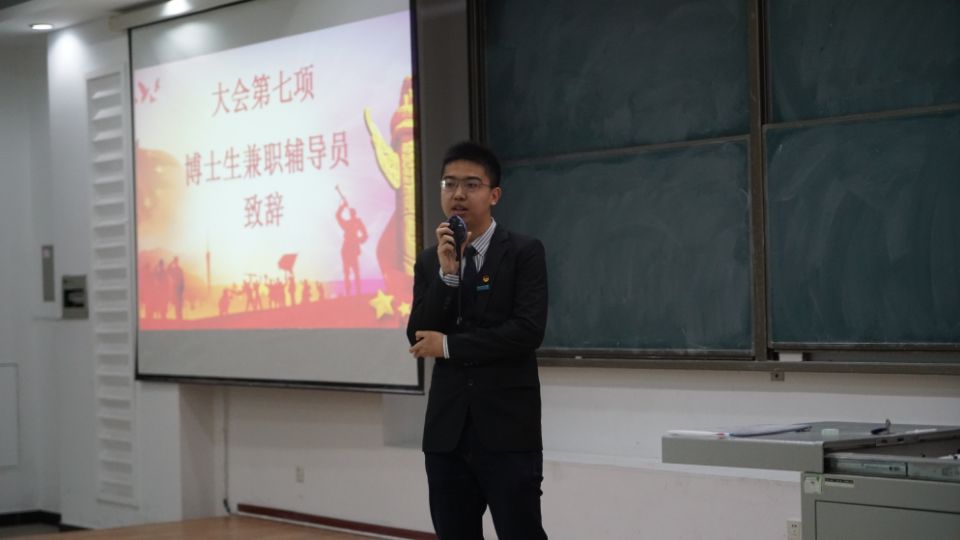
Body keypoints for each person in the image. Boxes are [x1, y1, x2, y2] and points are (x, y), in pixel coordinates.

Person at [407, 141, 548, 540]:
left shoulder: (523, 252)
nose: (458, 194)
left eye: (471, 185)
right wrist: (447, 274)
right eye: (449, 184)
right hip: (446, 433)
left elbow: (527, 331)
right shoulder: (431, 260)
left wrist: (449, 346)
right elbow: (418, 335)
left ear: (494, 194)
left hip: (507, 430)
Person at [336, 201, 368, 296]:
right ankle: (349, 292)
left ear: (354, 214)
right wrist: (342, 206)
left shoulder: (357, 222)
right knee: (347, 272)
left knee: (355, 271)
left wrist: (360, 240)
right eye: (351, 213)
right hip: (347, 248)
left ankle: (357, 292)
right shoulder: (348, 223)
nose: (352, 214)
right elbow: (338, 216)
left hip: (352, 248)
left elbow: (365, 234)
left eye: (352, 213)